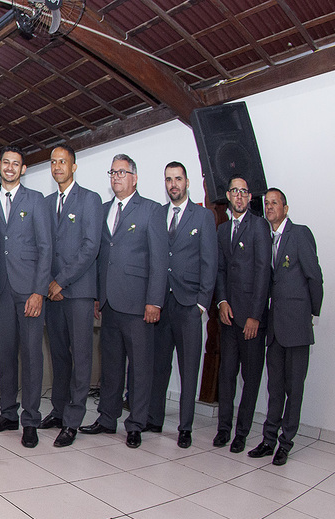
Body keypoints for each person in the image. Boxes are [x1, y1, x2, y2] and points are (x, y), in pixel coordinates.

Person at [81, 154, 168, 449]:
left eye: (122, 172)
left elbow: (159, 260)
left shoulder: (151, 210)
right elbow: (99, 257)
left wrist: (154, 301)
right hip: (108, 302)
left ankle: (136, 423)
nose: (116, 177)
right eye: (113, 172)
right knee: (111, 366)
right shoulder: (104, 210)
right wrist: (97, 295)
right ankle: (107, 418)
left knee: (140, 367)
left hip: (138, 304)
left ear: (134, 177)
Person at [0, 146, 52, 448]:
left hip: (28, 292)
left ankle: (31, 420)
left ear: (23, 169)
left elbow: (45, 248)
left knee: (32, 356)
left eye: (16, 164)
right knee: (7, 355)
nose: (10, 167)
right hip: (0, 292)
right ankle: (8, 414)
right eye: (6, 162)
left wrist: (39, 291)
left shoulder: (35, 200)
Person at [247, 188, 321, 466]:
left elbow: (315, 277)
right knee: (275, 388)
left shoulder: (300, 234)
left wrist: (310, 313)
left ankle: (285, 442)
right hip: (275, 329)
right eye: (266, 204)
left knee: (294, 389)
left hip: (298, 328)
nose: (269, 207)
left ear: (285, 208)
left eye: (274, 203)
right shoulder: (267, 239)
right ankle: (268, 440)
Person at [149, 162, 217, 449]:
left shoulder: (203, 216)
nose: (173, 184)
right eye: (168, 179)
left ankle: (185, 427)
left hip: (189, 305)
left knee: (189, 370)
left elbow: (210, 262)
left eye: (178, 179)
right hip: (161, 304)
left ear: (187, 182)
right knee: (159, 366)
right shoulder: (157, 215)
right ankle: (154, 418)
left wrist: (202, 304)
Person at [41, 144, 103, 448]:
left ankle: (73, 419)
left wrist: (61, 281)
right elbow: (41, 247)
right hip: (51, 294)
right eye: (53, 162)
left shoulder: (90, 199)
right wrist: (47, 284)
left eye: (62, 161)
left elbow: (90, 247)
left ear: (74, 166)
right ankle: (58, 410)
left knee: (80, 356)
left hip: (77, 292)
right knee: (59, 356)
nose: (57, 166)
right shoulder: (46, 202)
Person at [213, 177, 271, 453]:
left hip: (251, 320)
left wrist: (255, 316)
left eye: (244, 192)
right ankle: (223, 429)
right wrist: (222, 301)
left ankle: (242, 433)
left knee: (251, 377)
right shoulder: (223, 230)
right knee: (226, 376)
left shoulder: (259, 226)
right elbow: (220, 270)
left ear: (249, 197)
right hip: (228, 316)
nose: (239, 196)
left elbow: (263, 272)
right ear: (228, 195)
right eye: (235, 191)